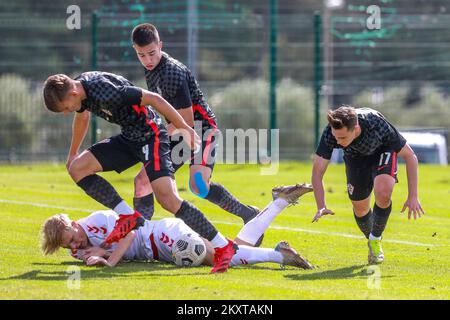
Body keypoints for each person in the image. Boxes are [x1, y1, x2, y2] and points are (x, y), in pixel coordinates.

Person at [42, 71, 236, 273]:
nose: (67, 112)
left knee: (168, 200)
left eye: (65, 108)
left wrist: (184, 128)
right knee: (77, 168)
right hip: (129, 138)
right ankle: (127, 216)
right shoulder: (80, 90)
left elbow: (155, 99)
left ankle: (223, 245)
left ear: (72, 93)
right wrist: (72, 154)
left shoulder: (105, 90)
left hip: (151, 136)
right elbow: (82, 117)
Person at [129, 23, 263, 245]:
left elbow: (187, 122)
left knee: (198, 185)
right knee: (143, 181)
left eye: (152, 53)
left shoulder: (172, 73)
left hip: (201, 129)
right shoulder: (151, 68)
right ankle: (139, 239)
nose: (148, 60)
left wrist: (157, 133)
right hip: (177, 129)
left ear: (160, 45)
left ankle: (249, 214)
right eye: (141, 55)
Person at [41, 184, 314, 270]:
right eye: (69, 246)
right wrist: (94, 253)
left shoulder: (98, 221)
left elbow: (132, 231)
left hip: (164, 235)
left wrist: (108, 259)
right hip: (160, 248)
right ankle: (278, 205)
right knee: (233, 249)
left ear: (76, 224)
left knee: (222, 256)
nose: (75, 246)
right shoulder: (78, 251)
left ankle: (280, 255)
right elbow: (87, 253)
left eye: (73, 237)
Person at [311, 105, 425, 264]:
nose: (337, 141)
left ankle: (375, 239)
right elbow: (317, 172)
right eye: (336, 137)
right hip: (355, 159)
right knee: (360, 208)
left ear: (355, 128)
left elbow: (410, 156)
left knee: (383, 194)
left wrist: (413, 196)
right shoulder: (331, 133)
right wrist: (321, 204)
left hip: (382, 151)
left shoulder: (376, 124)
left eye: (342, 138)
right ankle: (372, 240)